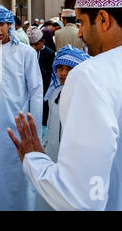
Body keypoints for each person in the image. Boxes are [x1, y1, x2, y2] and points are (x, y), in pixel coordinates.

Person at [8, 0, 122, 211]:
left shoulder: (90, 76)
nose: (81, 34)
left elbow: (79, 197)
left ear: (104, 19)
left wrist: (33, 159)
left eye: (82, 22)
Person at [0, 5, 43, 211]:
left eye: (1, 24)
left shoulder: (26, 53)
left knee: (20, 177)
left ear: (9, 25)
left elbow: (36, 92)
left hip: (20, 128)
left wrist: (33, 130)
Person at [36, 45, 90, 211]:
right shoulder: (54, 93)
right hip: (52, 155)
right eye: (60, 68)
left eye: (69, 68)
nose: (63, 73)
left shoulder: (85, 95)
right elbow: (51, 126)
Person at [27, 26, 55, 127]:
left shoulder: (49, 53)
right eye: (31, 44)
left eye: (35, 44)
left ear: (43, 41)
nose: (33, 47)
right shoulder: (28, 53)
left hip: (45, 87)